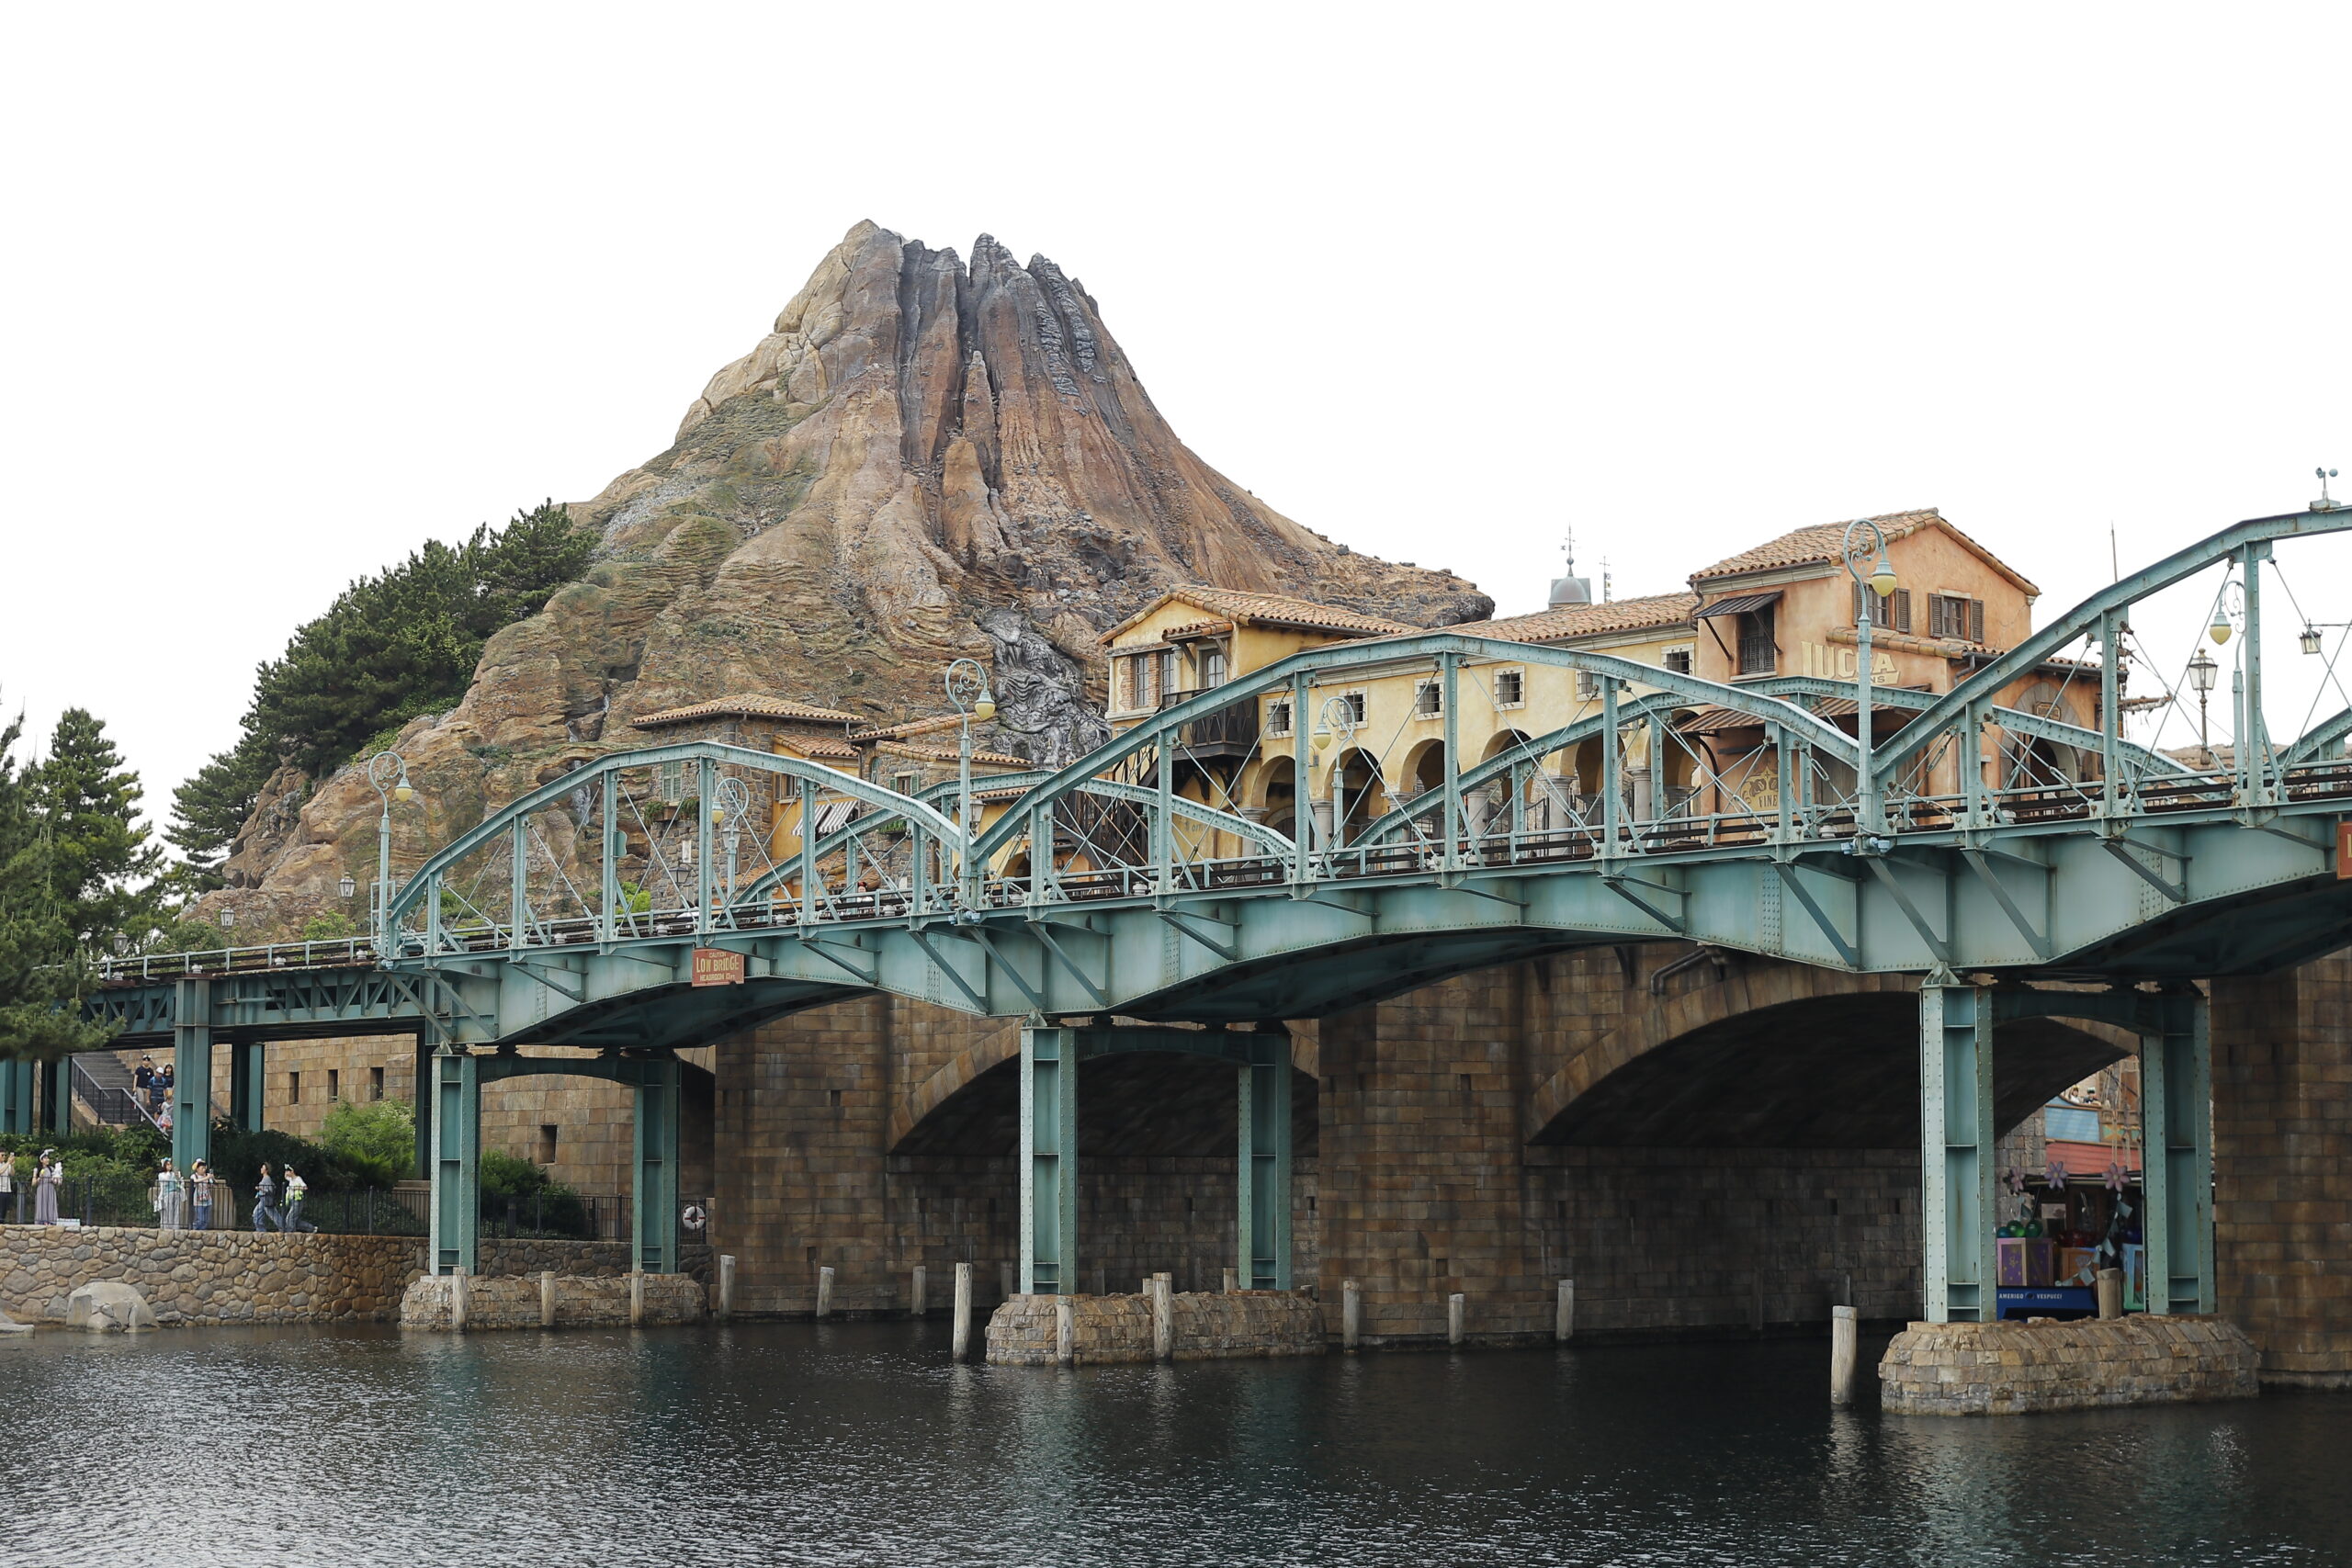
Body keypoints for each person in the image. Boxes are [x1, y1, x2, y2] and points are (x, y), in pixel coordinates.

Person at [281, 1165, 318, 1234]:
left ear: (292, 1171)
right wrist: (286, 1170)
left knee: (290, 1218)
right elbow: (285, 1177)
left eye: (288, 1171)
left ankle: (291, 1232)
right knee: (295, 1221)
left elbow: (305, 1187)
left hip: (297, 1201)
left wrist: (295, 1188)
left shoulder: (298, 1179)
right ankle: (311, 1228)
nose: (287, 1173)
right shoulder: (291, 1179)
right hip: (292, 1200)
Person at [153, 1158, 187, 1232]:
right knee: (169, 1211)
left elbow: (179, 1182)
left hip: (176, 1192)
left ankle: (176, 1227)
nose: (170, 1166)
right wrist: (170, 1174)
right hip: (167, 1194)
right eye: (168, 1164)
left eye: (170, 1164)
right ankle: (168, 1227)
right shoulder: (161, 1175)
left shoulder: (173, 1174)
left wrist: (178, 1177)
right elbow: (165, 1181)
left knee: (177, 1211)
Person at [252, 1162, 285, 1232]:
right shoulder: (265, 1178)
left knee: (273, 1215)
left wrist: (260, 1189)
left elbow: (270, 1190)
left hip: (265, 1199)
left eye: (262, 1168)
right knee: (256, 1214)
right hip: (262, 1199)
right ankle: (261, 1231)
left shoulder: (267, 1178)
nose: (261, 1169)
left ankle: (284, 1228)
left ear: (266, 1170)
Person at [33, 1151, 62, 1226]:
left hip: (50, 1188)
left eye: (48, 1158)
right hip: (41, 1188)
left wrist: (55, 1180)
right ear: (41, 1160)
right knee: (42, 1204)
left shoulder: (51, 1169)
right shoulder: (37, 1170)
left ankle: (51, 1220)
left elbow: (56, 1180)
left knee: (51, 1204)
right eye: (45, 1158)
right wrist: (39, 1178)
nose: (47, 1160)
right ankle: (42, 1221)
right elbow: (33, 1183)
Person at [189, 1160, 215, 1232]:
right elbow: (195, 1181)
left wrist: (212, 1178)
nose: (204, 1170)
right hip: (198, 1200)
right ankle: (196, 1230)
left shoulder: (207, 1175)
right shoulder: (194, 1176)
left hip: (207, 1199)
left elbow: (213, 1184)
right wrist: (207, 1178)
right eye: (202, 1168)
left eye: (204, 1168)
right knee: (200, 1219)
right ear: (197, 1169)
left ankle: (203, 1231)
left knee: (206, 1220)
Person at [0, 1148, 15, 1224]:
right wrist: (8, 1162)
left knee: (4, 1210)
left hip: (7, 1190)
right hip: (0, 1190)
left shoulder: (6, 1164)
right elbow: (0, 1171)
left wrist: (11, 1165)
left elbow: (12, 1173)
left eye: (5, 1155)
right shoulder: (5, 1164)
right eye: (2, 1155)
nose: (4, 1157)